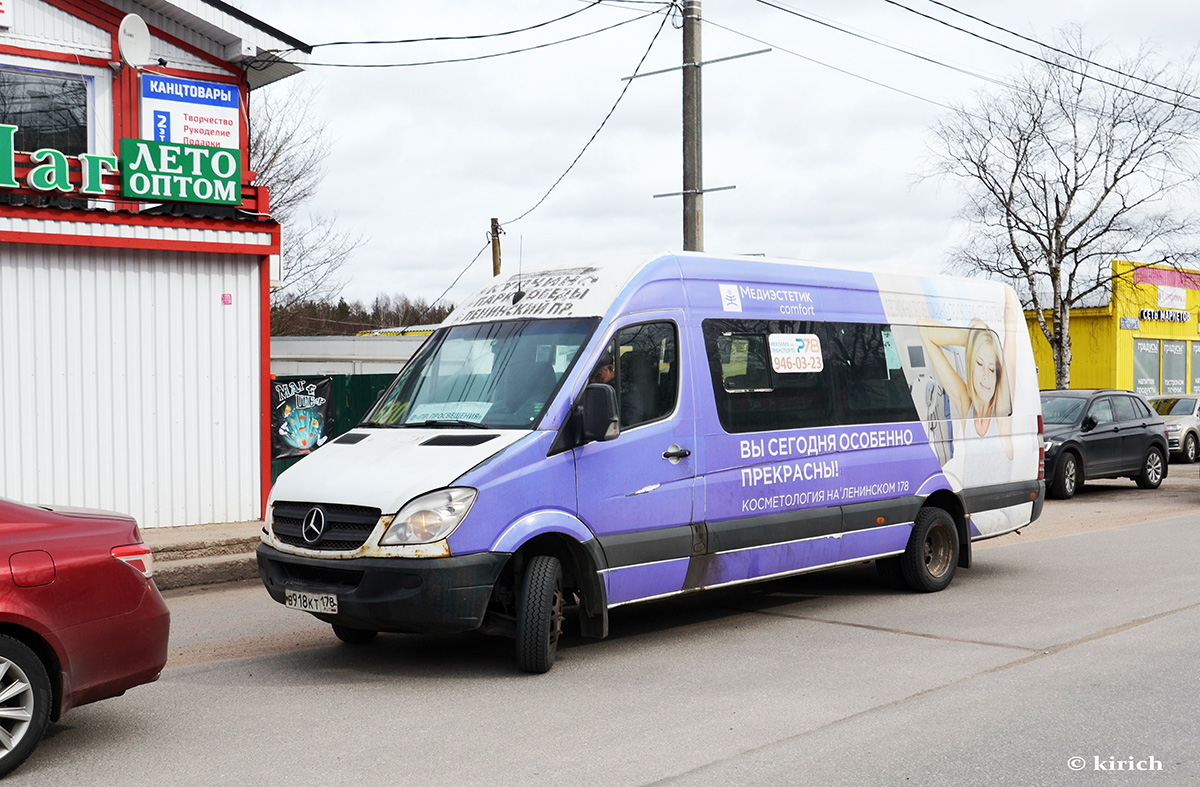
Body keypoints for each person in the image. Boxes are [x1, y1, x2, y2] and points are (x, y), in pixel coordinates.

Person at [918, 287, 1022, 466]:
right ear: (971, 365)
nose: (985, 377)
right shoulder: (967, 405)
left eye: (991, 369)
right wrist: (973, 339)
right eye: (979, 364)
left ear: (998, 375)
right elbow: (924, 330)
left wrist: (1007, 293)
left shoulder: (1001, 414)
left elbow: (1010, 331)